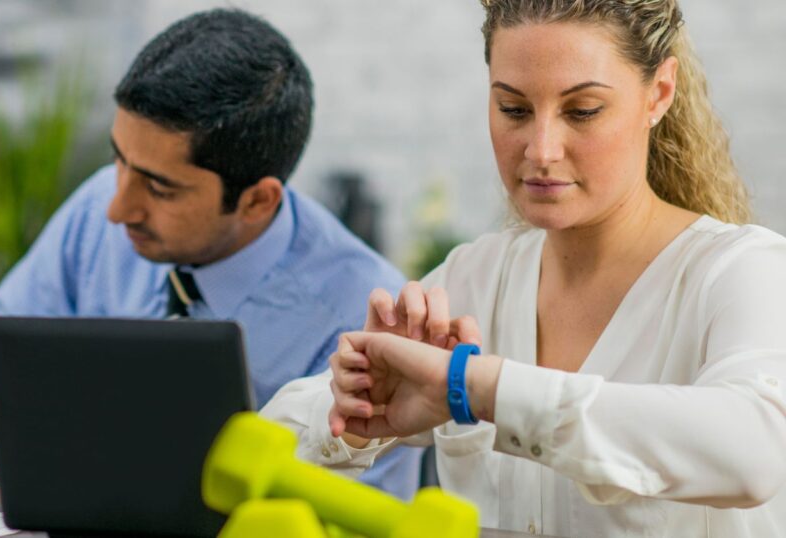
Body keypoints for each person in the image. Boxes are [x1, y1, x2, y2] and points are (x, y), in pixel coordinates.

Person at [0, 8, 421, 499]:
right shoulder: (98, 207)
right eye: (119, 159)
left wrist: (91, 464)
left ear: (256, 201)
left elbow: (349, 510)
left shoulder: (365, 315)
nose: (117, 208)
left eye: (159, 187)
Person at [261, 0, 786, 535]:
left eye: (582, 111)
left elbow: (755, 451)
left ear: (660, 93)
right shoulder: (475, 277)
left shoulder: (742, 272)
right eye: (513, 110)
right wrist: (355, 403)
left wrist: (481, 388)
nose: (541, 150)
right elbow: (266, 436)